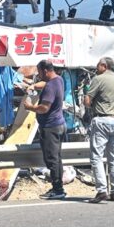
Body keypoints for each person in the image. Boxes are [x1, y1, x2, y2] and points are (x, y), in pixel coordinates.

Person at [84, 57, 114, 203]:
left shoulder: (98, 79)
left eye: (98, 65)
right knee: (113, 158)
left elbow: (87, 102)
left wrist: (87, 100)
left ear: (104, 66)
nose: (96, 67)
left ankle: (101, 190)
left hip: (102, 120)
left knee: (97, 157)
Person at [24, 60, 67, 200]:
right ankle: (58, 186)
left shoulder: (50, 87)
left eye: (40, 72)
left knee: (52, 159)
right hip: (58, 124)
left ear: (45, 71)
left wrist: (29, 106)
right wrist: (33, 86)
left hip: (51, 127)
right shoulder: (58, 80)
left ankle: (58, 189)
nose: (39, 75)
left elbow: (44, 108)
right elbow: (45, 84)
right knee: (57, 158)